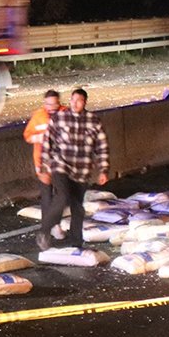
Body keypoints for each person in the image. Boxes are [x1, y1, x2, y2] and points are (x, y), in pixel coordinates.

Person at [38, 88, 108, 250]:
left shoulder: (94, 121)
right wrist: (45, 167)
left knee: (77, 207)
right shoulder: (60, 118)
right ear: (69, 101)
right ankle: (44, 231)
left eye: (79, 101)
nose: (75, 103)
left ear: (85, 102)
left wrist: (103, 169)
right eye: (73, 100)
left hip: (82, 171)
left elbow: (102, 147)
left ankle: (76, 242)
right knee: (62, 196)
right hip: (62, 166)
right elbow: (48, 143)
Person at [23, 90, 63, 239]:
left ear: (59, 103)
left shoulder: (66, 113)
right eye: (48, 104)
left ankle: (55, 223)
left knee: (62, 193)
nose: (51, 107)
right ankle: (49, 226)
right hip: (43, 161)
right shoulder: (38, 117)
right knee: (46, 194)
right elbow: (27, 136)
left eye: (54, 104)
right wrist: (40, 137)